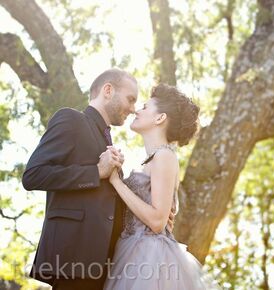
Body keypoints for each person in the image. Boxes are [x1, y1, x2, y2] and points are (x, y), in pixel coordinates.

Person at [22, 68, 139, 290]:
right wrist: (95, 172)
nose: (133, 109)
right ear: (108, 90)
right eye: (130, 99)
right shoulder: (71, 119)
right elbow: (33, 175)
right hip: (73, 259)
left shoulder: (107, 142)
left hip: (107, 268)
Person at [104, 83, 222, 289]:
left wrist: (115, 182)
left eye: (145, 107)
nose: (136, 110)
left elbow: (157, 221)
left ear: (160, 118)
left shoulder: (164, 156)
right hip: (132, 249)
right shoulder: (153, 158)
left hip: (150, 256)